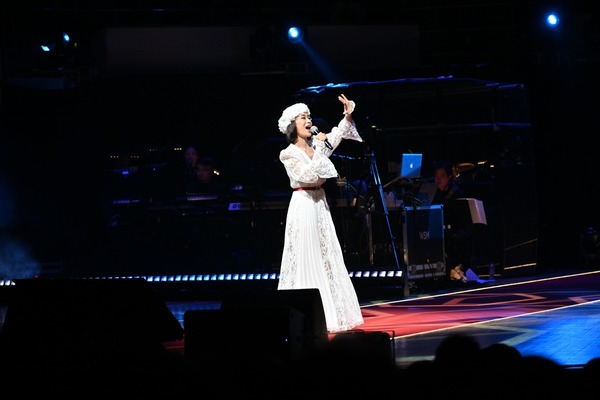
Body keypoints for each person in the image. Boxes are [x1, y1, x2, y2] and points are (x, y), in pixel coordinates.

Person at [276, 94, 364, 333]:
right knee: (308, 253)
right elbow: (306, 175)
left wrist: (347, 115)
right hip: (304, 203)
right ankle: (306, 316)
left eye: (309, 117)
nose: (308, 121)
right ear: (292, 125)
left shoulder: (317, 145)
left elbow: (337, 135)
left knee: (327, 253)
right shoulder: (288, 153)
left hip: (320, 204)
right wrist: (320, 150)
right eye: (303, 118)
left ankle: (331, 312)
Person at [430, 160, 472, 282]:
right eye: (436, 177)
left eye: (442, 176)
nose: (438, 180)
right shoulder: (435, 194)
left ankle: (457, 271)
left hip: (456, 231)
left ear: (449, 177)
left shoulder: (456, 192)